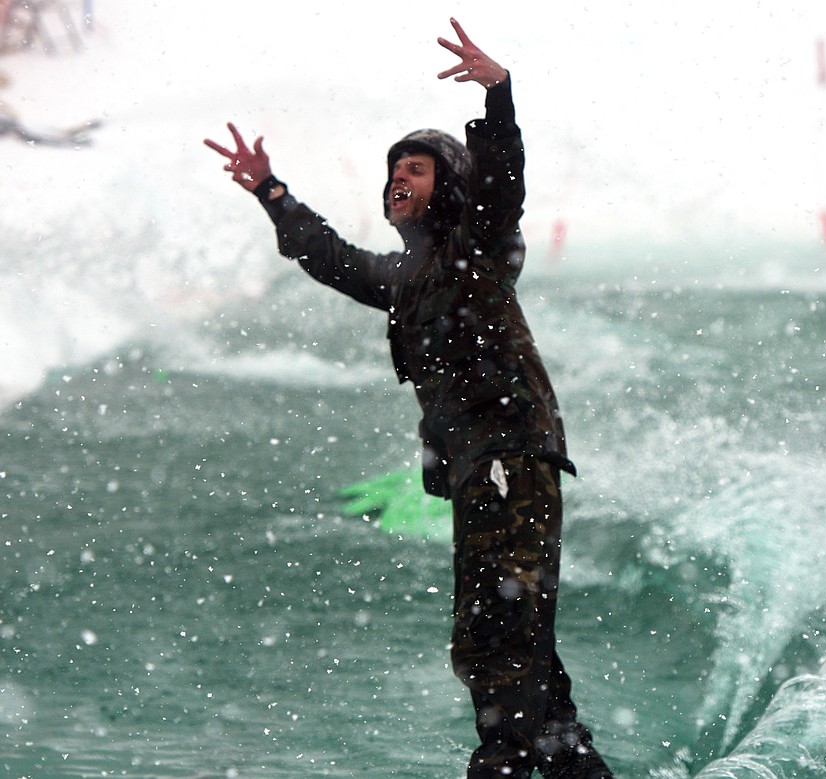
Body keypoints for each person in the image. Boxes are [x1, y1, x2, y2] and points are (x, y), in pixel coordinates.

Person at [204, 18, 614, 779]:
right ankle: (569, 766)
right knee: (508, 638)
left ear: (451, 186)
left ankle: (509, 766)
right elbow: (326, 256)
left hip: (509, 458)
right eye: (395, 169)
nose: (400, 177)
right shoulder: (404, 279)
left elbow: (503, 189)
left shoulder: (475, 247)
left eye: (419, 168)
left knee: (498, 638)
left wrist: (497, 97)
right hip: (479, 471)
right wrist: (271, 190)